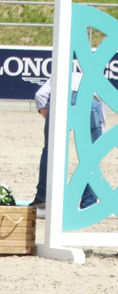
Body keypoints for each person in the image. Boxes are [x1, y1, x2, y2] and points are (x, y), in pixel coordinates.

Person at [31, 80, 104, 216]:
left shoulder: (58, 76)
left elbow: (40, 95)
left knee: (50, 150)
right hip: (91, 102)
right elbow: (100, 105)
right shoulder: (94, 77)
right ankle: (89, 203)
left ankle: (43, 197)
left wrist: (47, 117)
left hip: (62, 101)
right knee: (93, 155)